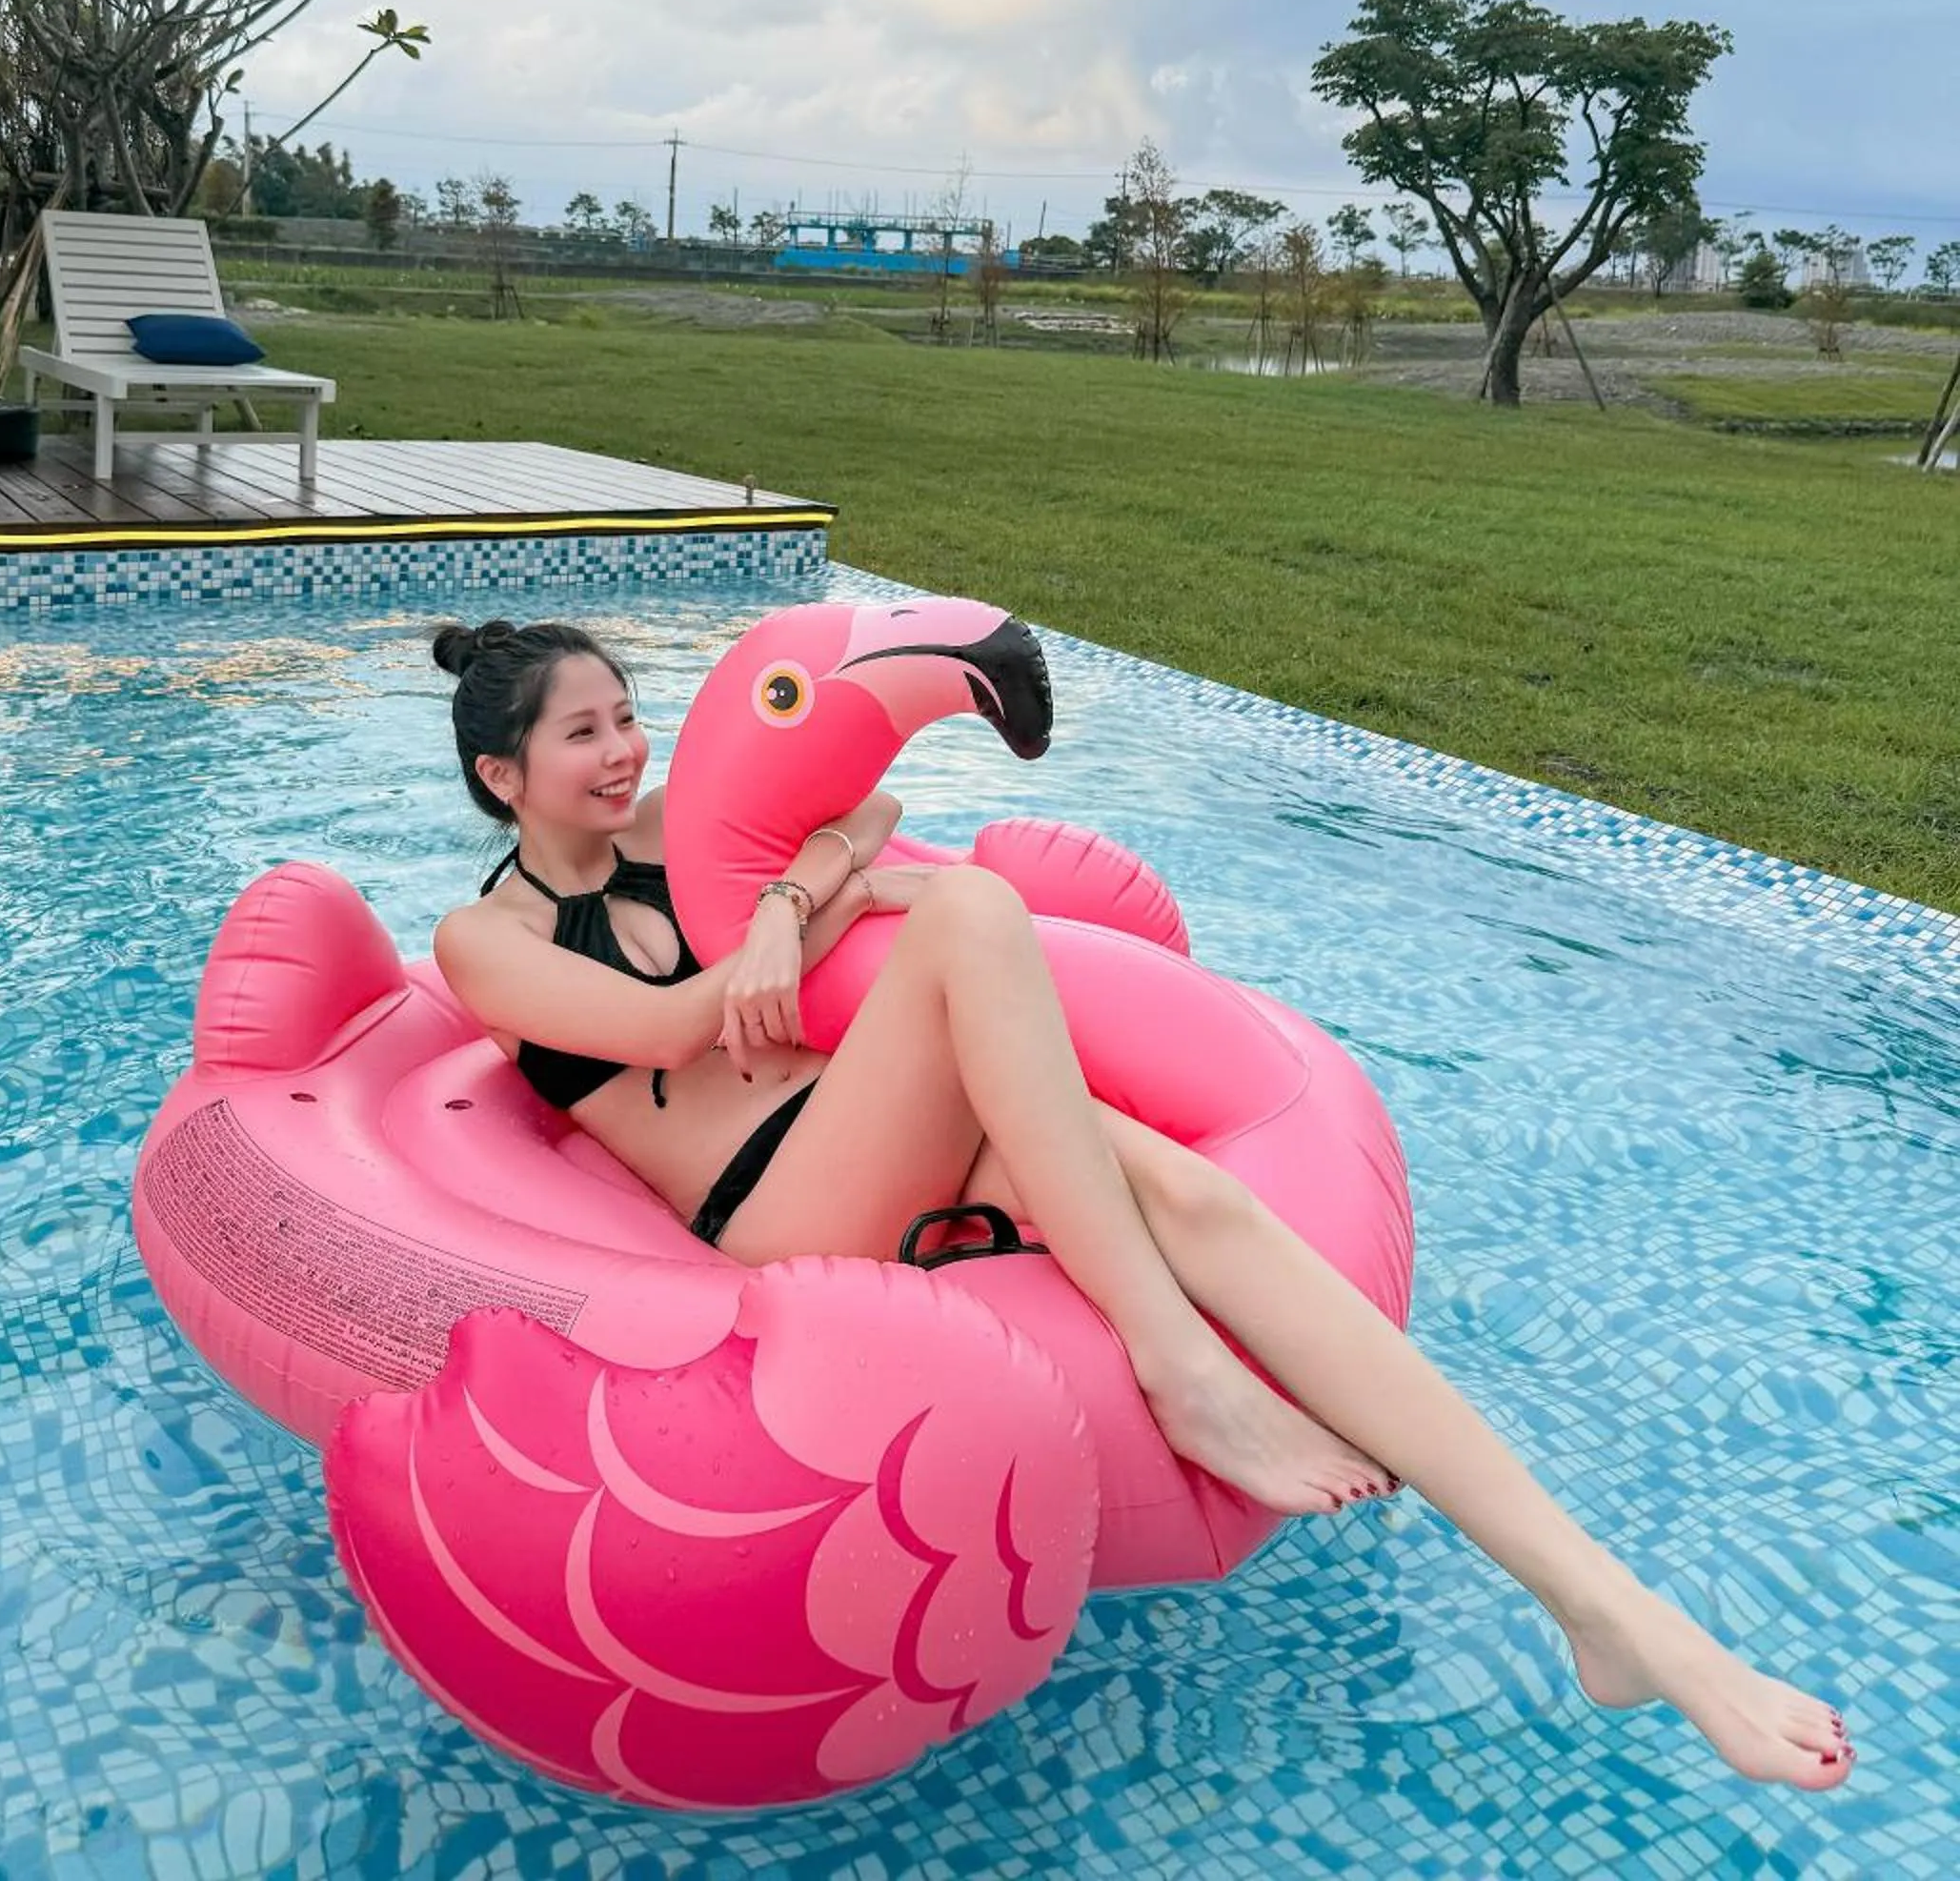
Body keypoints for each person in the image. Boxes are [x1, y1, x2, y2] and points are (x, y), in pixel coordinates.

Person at [429, 617, 1853, 1792]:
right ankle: (1182, 1374)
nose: (623, 752)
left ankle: (1604, 1610)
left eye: (627, 716)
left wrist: (798, 904)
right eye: (581, 733)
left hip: (884, 1121)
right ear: (504, 775)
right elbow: (680, 1030)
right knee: (973, 917)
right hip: (773, 1202)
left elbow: (865, 804)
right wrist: (807, 918)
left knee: (1193, 1195)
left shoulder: (681, 830)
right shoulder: (482, 939)